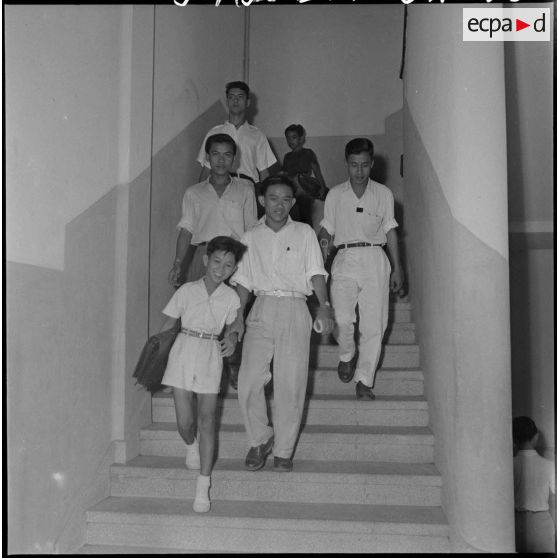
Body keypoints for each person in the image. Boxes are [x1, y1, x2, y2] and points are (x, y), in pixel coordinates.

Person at [229, 175, 334, 472]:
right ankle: (260, 438)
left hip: (294, 307)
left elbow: (316, 273)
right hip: (261, 307)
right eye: (273, 198)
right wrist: (237, 318)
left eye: (286, 199)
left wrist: (324, 307)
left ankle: (284, 449)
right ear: (262, 200)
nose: (279, 205)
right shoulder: (250, 236)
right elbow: (243, 282)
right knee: (248, 380)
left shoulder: (304, 233)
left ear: (293, 202)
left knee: (291, 383)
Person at [159, 235, 247, 513]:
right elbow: (168, 324)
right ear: (206, 260)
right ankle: (191, 444)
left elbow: (235, 325)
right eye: (217, 262)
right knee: (185, 422)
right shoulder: (186, 290)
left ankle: (203, 486)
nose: (221, 269)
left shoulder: (231, 297)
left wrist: (232, 338)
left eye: (228, 265)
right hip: (183, 351)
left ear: (234, 269)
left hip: (211, 354)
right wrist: (155, 356)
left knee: (207, 420)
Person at [318, 138, 404, 400]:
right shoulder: (335, 195)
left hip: (375, 258)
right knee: (342, 318)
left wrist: (398, 269)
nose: (359, 171)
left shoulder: (383, 194)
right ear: (347, 163)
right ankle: (347, 354)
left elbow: (390, 231)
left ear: (372, 164)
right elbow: (327, 230)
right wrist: (321, 253)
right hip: (344, 257)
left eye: (364, 165)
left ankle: (364, 380)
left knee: (374, 324)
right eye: (354, 165)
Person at [168, 133, 257, 288]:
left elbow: (252, 230)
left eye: (227, 155)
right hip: (203, 255)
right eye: (216, 154)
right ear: (208, 157)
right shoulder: (193, 192)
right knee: (198, 300)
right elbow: (186, 231)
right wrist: (177, 263)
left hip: (234, 258)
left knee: (232, 302)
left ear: (234, 158)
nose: (221, 160)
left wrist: (252, 264)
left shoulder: (246, 191)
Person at [196, 81, 277, 192]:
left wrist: (264, 196)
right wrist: (200, 195)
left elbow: (264, 172)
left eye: (240, 97)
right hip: (219, 187)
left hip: (249, 188)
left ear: (247, 102)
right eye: (231, 97)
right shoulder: (213, 133)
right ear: (227, 101)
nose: (235, 100)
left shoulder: (258, 135)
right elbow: (206, 170)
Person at [512, 416, 556, 553]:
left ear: (514, 439)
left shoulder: (509, 465)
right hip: (542, 523)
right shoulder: (549, 465)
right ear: (536, 437)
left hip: (516, 522)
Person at [282, 124, 328, 231]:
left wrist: (322, 187)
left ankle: (308, 234)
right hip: (292, 191)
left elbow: (317, 171)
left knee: (305, 212)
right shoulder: (287, 157)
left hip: (304, 190)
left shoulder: (308, 153)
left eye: (294, 137)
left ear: (301, 138)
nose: (290, 141)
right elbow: (285, 176)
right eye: (288, 138)